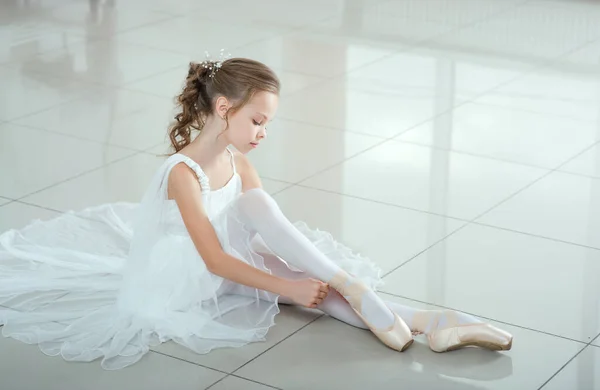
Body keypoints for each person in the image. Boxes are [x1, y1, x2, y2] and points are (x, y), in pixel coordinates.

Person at [0, 57, 512, 370]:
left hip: (238, 256)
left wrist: (294, 272)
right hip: (196, 277)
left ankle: (438, 322)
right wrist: (286, 287)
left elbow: (265, 230)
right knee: (293, 268)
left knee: (270, 221)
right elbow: (213, 261)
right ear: (224, 108)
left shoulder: (238, 161)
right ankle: (366, 293)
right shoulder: (182, 174)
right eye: (258, 119)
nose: (264, 131)